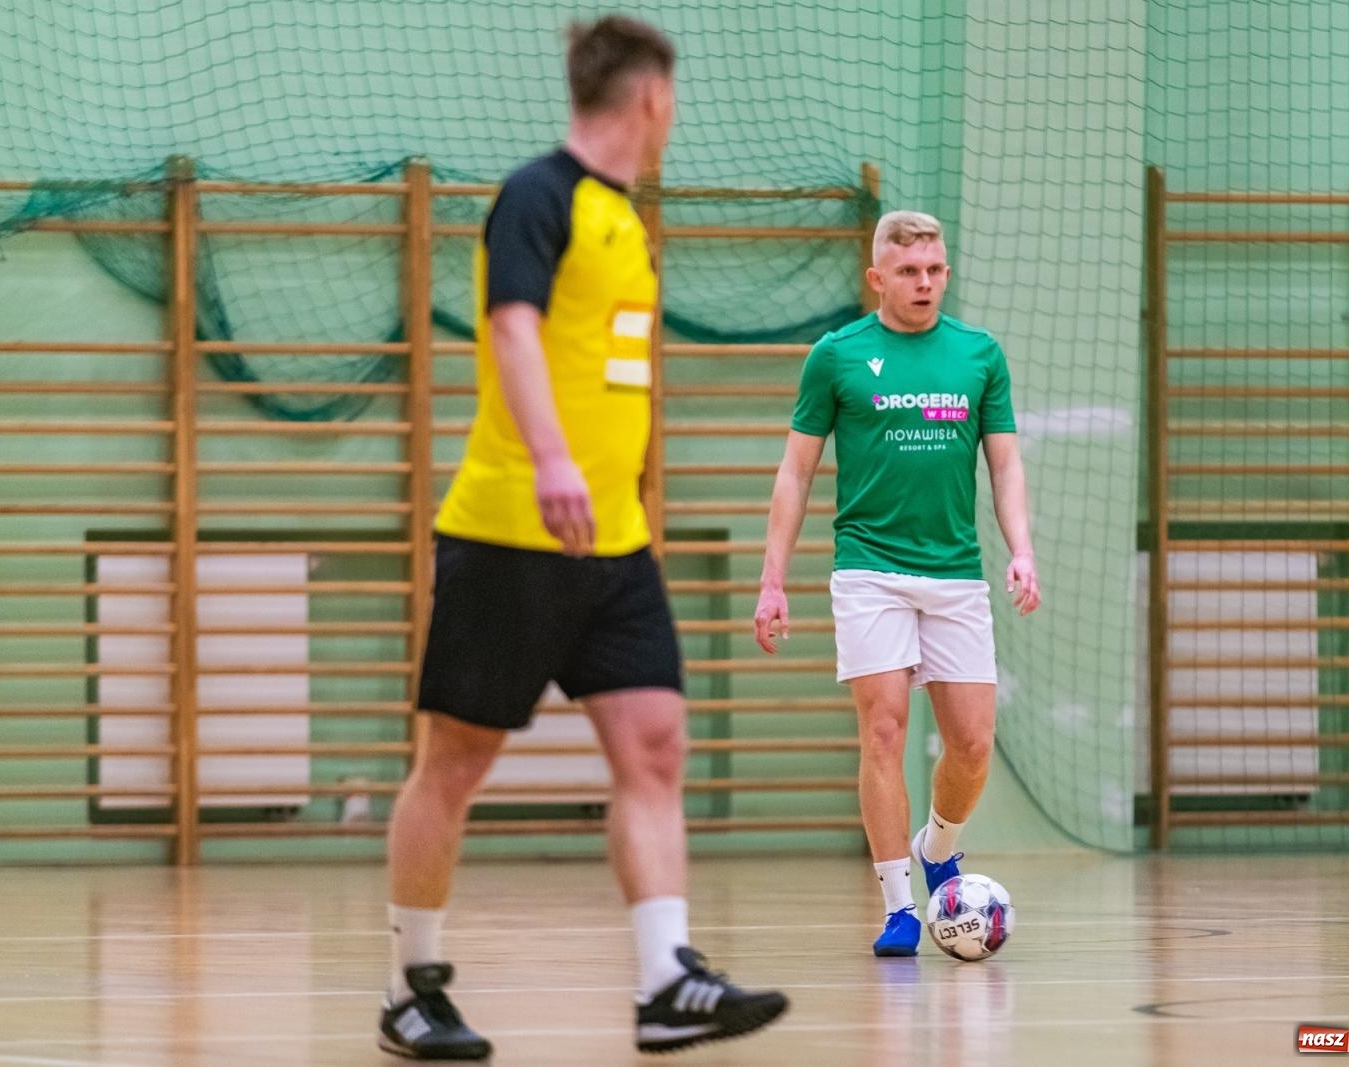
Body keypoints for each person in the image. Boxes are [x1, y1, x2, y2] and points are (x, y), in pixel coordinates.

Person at [379, 15, 789, 1059]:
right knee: (455, 762)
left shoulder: (621, 217)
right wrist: (554, 456)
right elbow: (511, 326)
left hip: (614, 545)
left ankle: (665, 978)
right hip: (511, 529)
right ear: (651, 99)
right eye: (674, 101)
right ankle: (409, 987)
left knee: (653, 746)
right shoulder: (538, 194)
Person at [753, 210, 1041, 958]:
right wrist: (772, 579)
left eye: (935, 269)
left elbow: (1005, 462)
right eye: (909, 271)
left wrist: (1022, 549)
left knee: (972, 744)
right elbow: (796, 469)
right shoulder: (837, 356)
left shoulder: (980, 356)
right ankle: (898, 906)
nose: (924, 283)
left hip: (953, 571)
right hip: (868, 567)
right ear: (878, 277)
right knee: (883, 727)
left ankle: (938, 843)